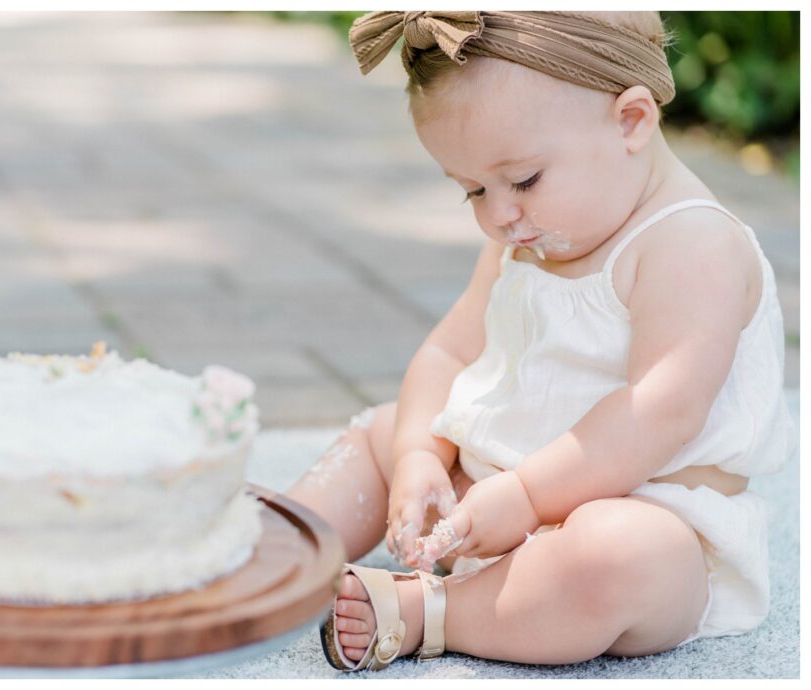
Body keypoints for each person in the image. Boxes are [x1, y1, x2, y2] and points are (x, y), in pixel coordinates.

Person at [286, 11, 797, 672]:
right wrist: (418, 455)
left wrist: (529, 497)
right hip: (493, 491)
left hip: (635, 515)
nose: (498, 214)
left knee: (618, 557)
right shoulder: (524, 236)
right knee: (381, 434)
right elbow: (449, 353)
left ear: (631, 122)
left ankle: (431, 612)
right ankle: (276, 550)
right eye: (472, 189)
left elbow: (657, 413)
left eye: (523, 180)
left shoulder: (691, 247)